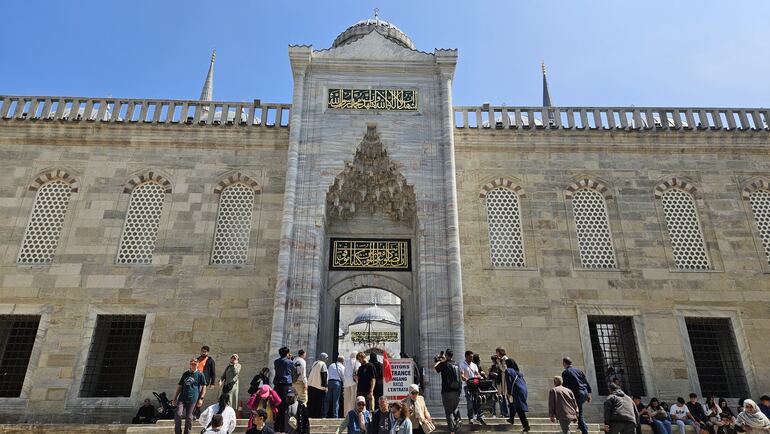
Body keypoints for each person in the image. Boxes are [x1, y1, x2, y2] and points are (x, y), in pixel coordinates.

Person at [172, 357, 208, 434]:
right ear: (190, 364)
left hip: (193, 399)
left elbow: (204, 386)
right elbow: (180, 386)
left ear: (197, 364)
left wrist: (201, 398)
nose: (193, 365)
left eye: (195, 364)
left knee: (189, 417)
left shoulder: (200, 374)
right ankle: (178, 432)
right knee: (178, 414)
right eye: (192, 363)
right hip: (182, 398)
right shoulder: (185, 374)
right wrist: (175, 398)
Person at [562, 357, 593, 434]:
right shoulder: (579, 370)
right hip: (584, 392)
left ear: (564, 363)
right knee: (578, 410)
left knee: (579, 413)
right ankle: (581, 425)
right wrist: (589, 393)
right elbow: (586, 381)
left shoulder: (565, 372)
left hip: (577, 394)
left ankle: (584, 430)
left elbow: (565, 386)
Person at [434, 349, 461, 434]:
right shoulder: (456, 364)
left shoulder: (444, 364)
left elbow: (435, 369)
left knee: (448, 412)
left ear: (446, 355)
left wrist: (438, 360)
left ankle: (452, 431)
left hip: (446, 391)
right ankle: (458, 419)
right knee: (455, 408)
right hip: (456, 391)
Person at [505, 358, 530, 432]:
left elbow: (509, 381)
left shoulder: (508, 370)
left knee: (519, 408)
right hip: (524, 389)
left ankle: (526, 425)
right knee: (513, 403)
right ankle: (511, 419)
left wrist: (509, 392)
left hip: (516, 390)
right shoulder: (518, 372)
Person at [459, 350, 482, 424]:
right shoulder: (462, 364)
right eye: (470, 357)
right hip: (467, 385)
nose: (471, 358)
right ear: (466, 356)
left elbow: (477, 374)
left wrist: (478, 377)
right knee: (469, 401)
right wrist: (466, 379)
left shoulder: (474, 365)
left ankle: (478, 416)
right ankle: (470, 418)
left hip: (474, 385)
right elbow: (462, 375)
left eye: (472, 357)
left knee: (476, 400)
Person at [307, 352, 329, 417]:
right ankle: (317, 416)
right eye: (326, 358)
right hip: (319, 387)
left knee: (311, 402)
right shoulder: (323, 364)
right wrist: (325, 386)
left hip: (311, 385)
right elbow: (323, 375)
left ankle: (310, 415)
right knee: (319, 404)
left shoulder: (315, 363)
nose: (327, 359)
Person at [495, 348, 511, 418]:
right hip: (503, 380)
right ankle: (505, 412)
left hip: (505, 380)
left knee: (507, 397)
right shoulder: (502, 359)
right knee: (504, 396)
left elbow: (504, 369)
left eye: (497, 352)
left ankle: (507, 413)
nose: (496, 354)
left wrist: (498, 362)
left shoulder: (505, 358)